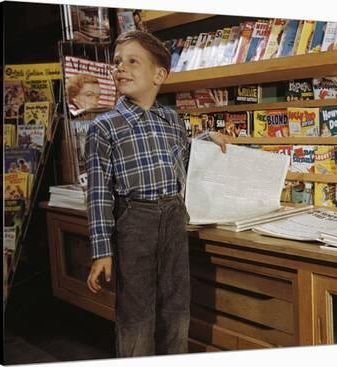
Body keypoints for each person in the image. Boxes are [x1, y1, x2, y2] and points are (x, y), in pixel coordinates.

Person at [85, 31, 230, 358]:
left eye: (132, 61)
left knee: (176, 304)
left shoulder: (171, 119)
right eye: (117, 62)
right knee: (136, 310)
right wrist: (101, 251)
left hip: (174, 217)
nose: (120, 68)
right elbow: (98, 195)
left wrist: (208, 139)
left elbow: (183, 157)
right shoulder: (104, 127)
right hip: (135, 220)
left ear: (159, 75)